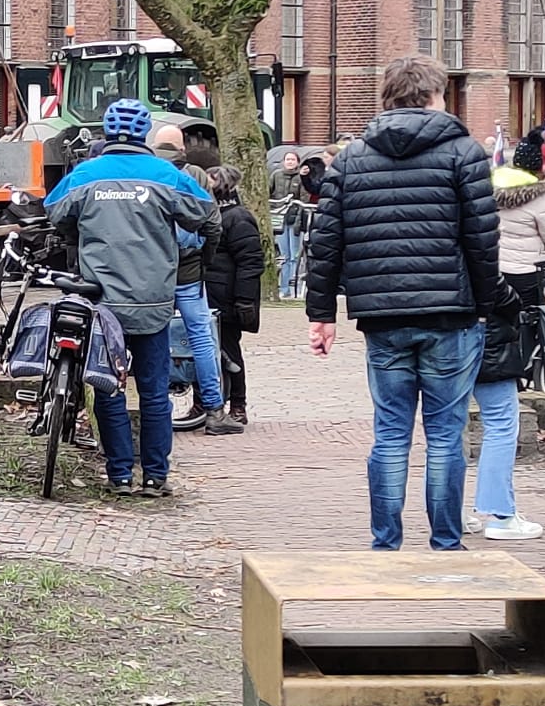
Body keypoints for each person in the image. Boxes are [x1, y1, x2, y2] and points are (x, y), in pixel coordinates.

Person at [305, 55, 499, 551]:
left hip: (382, 316)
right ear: (437, 96)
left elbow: (326, 242)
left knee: (390, 433)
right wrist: (490, 301)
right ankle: (446, 541)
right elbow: (481, 239)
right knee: (445, 434)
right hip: (450, 313)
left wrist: (321, 314)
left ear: (386, 98)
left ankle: (386, 541)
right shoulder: (463, 152)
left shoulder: (350, 158)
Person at [46, 99, 217, 497]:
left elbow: (53, 211)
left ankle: (120, 474)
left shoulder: (85, 173)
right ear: (144, 134)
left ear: (107, 132)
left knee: (109, 387)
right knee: (155, 392)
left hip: (103, 302)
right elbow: (205, 214)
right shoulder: (165, 173)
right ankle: (156, 476)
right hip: (154, 302)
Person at [472, 176, 542, 541]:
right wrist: (512, 303)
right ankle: (500, 512)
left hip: (436, 328)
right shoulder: (476, 218)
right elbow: (488, 275)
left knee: (447, 425)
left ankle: (453, 510)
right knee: (501, 420)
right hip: (485, 327)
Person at [149, 124, 228, 434]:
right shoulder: (194, 175)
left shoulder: (148, 173)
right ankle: (214, 409)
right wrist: (203, 261)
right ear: (182, 148)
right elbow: (213, 224)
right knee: (201, 337)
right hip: (189, 272)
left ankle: (156, 413)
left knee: (150, 337)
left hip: (153, 273)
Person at [203, 164, 263, 426]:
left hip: (226, 297)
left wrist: (244, 300)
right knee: (203, 352)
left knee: (228, 350)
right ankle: (203, 403)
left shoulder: (237, 218)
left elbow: (251, 261)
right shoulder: (212, 216)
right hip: (210, 294)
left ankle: (238, 403)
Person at [271, 152, 306, 298]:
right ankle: (283, 289)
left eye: (293, 159)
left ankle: (294, 289)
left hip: (294, 219)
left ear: (297, 162)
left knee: (295, 255)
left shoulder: (300, 177)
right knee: (284, 256)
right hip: (280, 218)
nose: (290, 162)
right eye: (287, 159)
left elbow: (303, 199)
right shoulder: (276, 175)